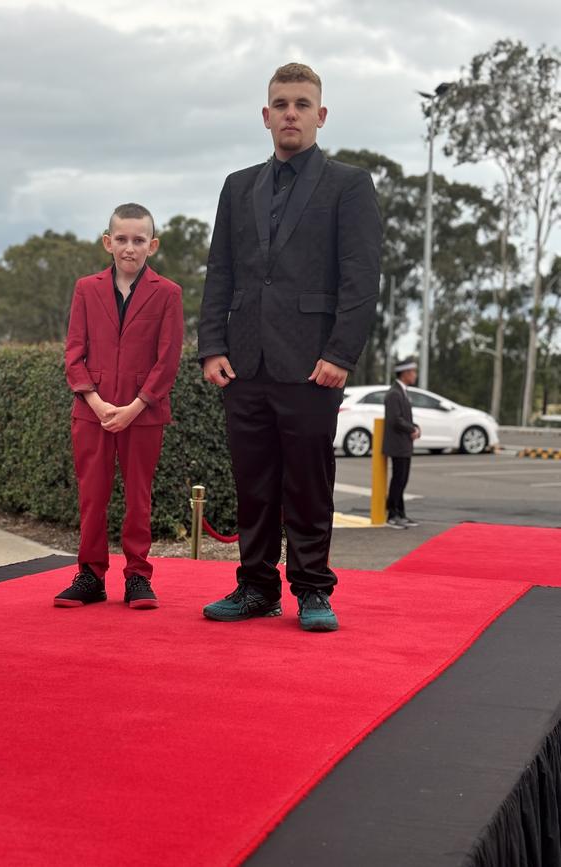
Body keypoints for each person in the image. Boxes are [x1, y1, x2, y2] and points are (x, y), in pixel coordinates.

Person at [198, 62, 382, 632]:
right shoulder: (237, 186)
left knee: (307, 482)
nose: (291, 113)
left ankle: (312, 590)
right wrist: (211, 346)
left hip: (311, 365)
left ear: (320, 115)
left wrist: (340, 354)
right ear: (265, 115)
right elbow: (220, 272)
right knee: (253, 483)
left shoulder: (348, 185)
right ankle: (255, 588)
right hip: (244, 362)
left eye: (302, 104)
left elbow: (361, 278)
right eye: (281, 104)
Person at [55, 203, 184, 608]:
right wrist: (95, 402)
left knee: (138, 496)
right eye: (123, 239)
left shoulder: (168, 294)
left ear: (153, 245)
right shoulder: (86, 289)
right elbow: (74, 353)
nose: (130, 247)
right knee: (92, 495)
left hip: (143, 416)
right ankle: (90, 576)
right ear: (108, 242)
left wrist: (133, 407)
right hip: (90, 413)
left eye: (139, 240)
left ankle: (137, 577)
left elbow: (168, 361)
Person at [382, 358, 421, 529]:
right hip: (397, 444)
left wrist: (415, 427)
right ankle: (392, 514)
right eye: (413, 372)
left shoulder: (402, 392)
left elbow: (403, 419)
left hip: (404, 444)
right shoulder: (394, 394)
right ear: (405, 373)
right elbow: (395, 420)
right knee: (398, 479)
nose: (415, 375)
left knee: (403, 479)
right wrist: (412, 429)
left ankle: (401, 513)